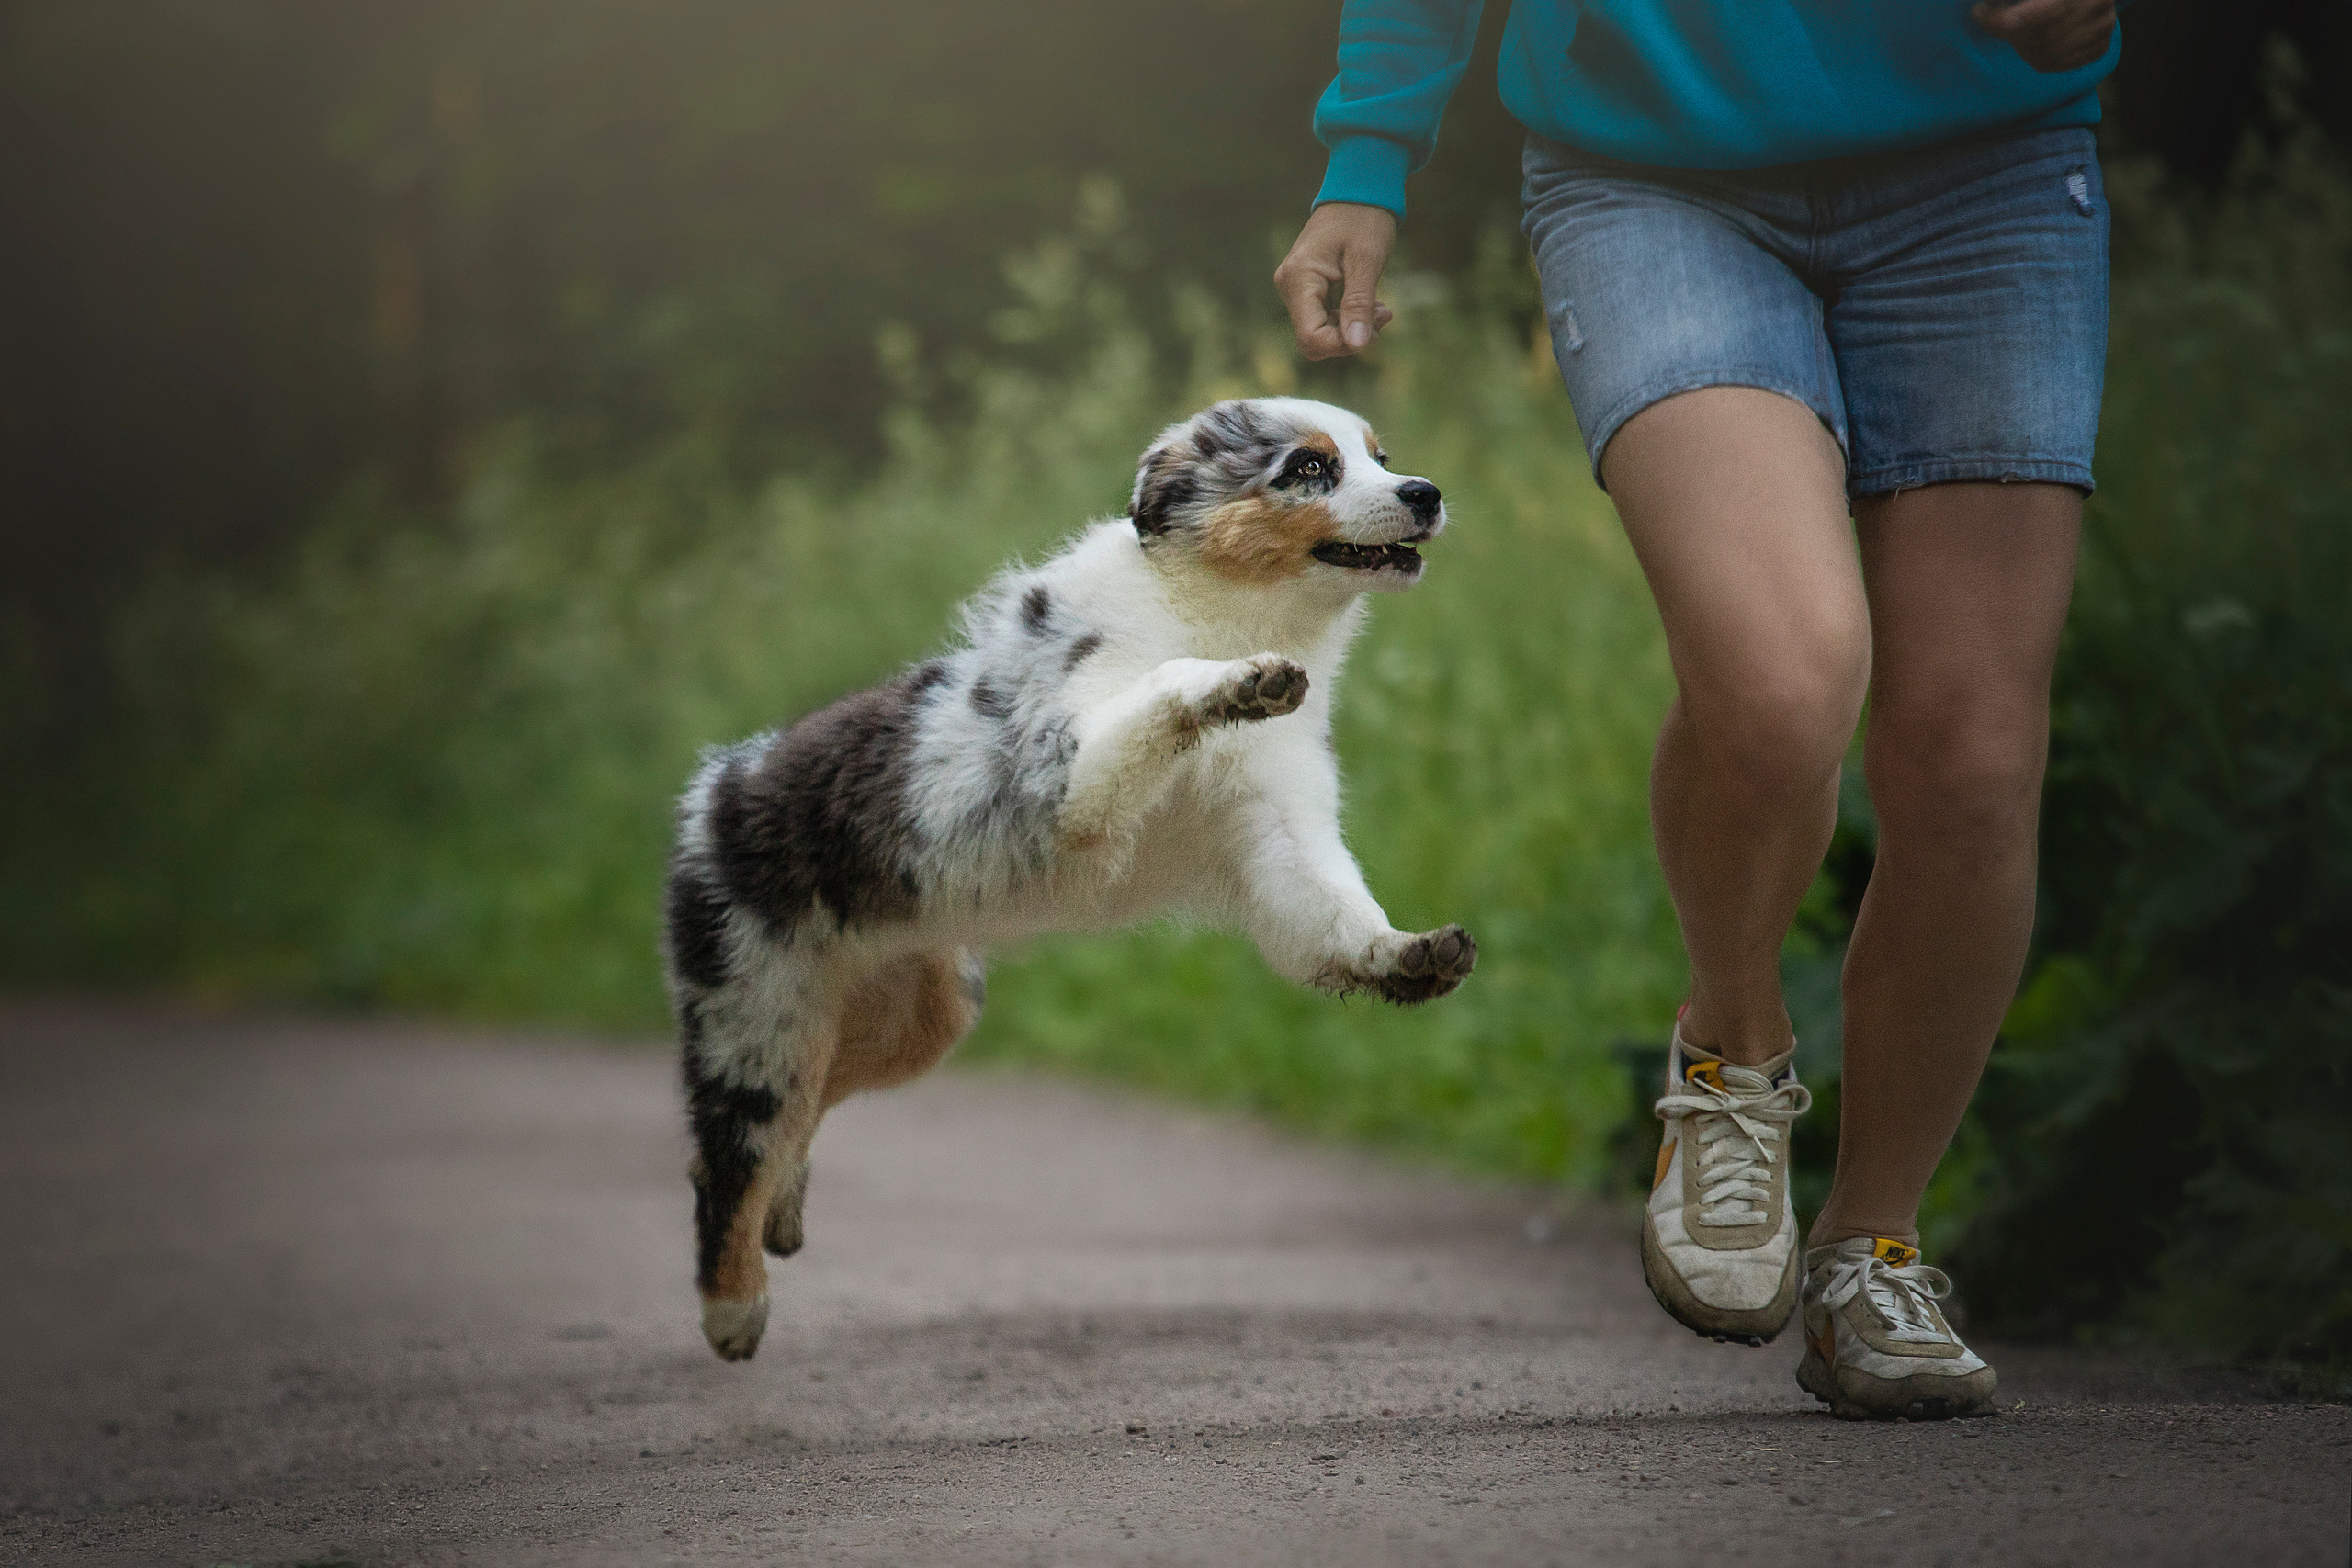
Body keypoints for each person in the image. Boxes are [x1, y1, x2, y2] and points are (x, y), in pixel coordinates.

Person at [1276, 0, 2120, 1421]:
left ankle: (1875, 1252)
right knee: (1784, 683)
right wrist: (1369, 149)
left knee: (1973, 758)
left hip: (1994, 168)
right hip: (1653, 169)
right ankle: (1732, 1052)